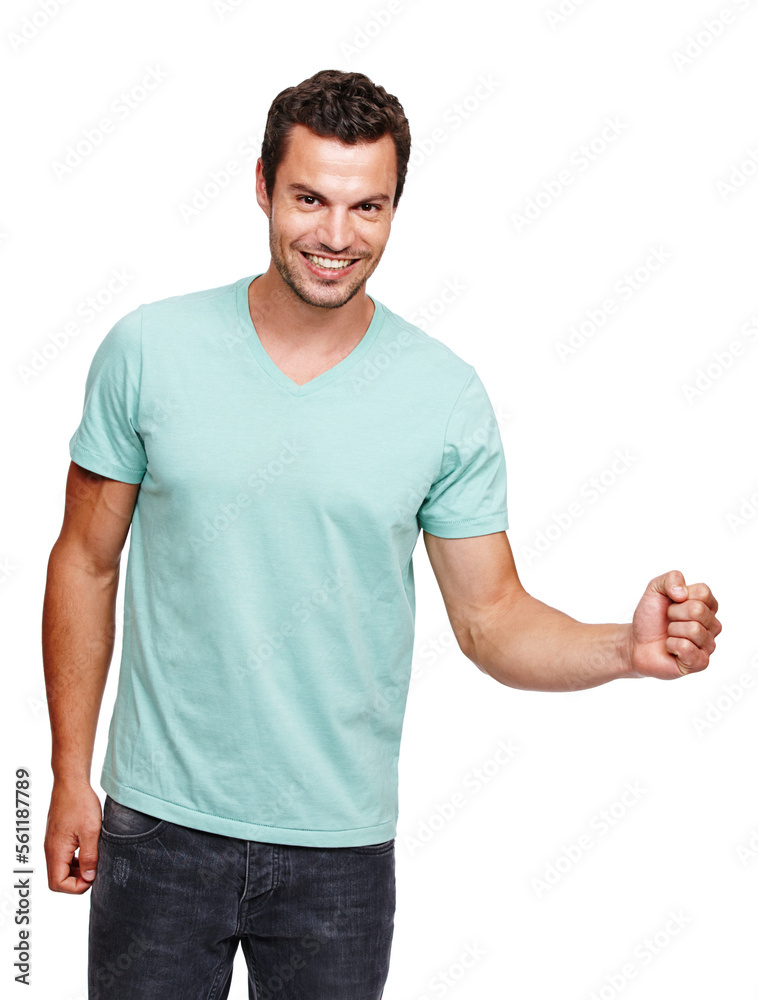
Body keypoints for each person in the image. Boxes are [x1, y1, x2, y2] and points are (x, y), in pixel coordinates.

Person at [42, 68, 721, 999]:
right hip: (159, 828)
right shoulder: (147, 351)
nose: (334, 235)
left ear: (396, 206)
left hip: (339, 854)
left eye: (368, 207)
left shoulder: (442, 396)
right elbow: (85, 560)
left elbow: (491, 618)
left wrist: (625, 649)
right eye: (310, 198)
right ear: (261, 186)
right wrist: (71, 774)